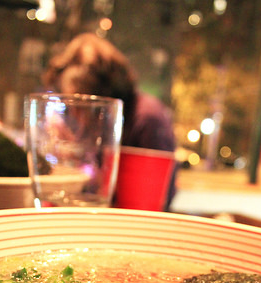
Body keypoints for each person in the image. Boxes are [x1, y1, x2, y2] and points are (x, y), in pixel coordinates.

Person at [42, 33, 177, 208]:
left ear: (104, 93)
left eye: (81, 107)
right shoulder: (100, 120)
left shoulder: (146, 119)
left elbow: (147, 205)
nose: (75, 114)